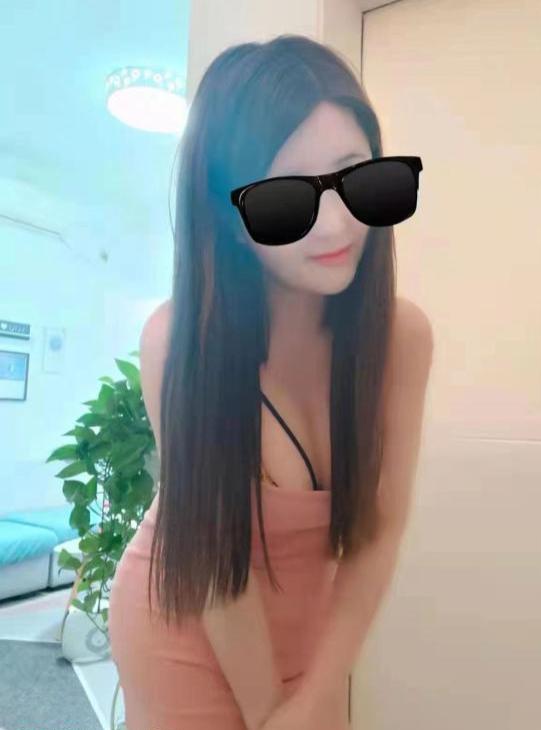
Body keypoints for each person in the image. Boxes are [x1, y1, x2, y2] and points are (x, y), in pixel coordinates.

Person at [108, 32, 431, 730]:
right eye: (287, 200)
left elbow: (380, 531)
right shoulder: (180, 341)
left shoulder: (401, 339)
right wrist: (268, 714)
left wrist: (319, 691)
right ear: (229, 222)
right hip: (189, 617)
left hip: (306, 632)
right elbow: (217, 562)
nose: (337, 224)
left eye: (355, 177)